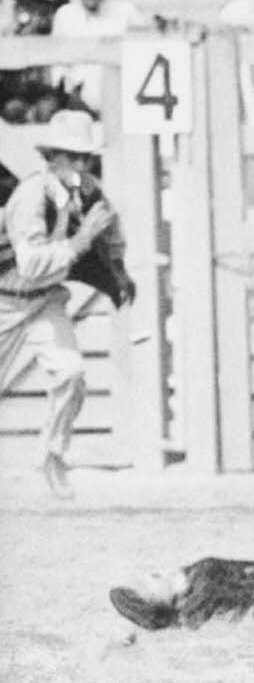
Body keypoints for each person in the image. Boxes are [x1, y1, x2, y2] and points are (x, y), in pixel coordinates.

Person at [0, 108, 135, 497]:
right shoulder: (31, 195)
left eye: (85, 158)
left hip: (45, 300)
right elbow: (31, 264)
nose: (80, 165)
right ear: (51, 157)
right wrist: (81, 240)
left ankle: (52, 455)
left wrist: (117, 269)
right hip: (6, 298)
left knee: (70, 373)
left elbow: (111, 229)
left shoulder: (85, 192)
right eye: (72, 157)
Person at [51, 0, 148, 112]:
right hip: (80, 102)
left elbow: (147, 47)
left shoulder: (124, 12)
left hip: (121, 99)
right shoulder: (66, 16)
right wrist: (68, 91)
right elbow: (58, 64)